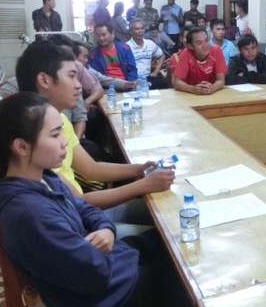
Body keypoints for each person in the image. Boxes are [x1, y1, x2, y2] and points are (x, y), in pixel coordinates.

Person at [0, 92, 190, 307]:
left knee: (169, 245)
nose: (65, 142)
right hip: (101, 294)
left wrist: (106, 229)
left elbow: (84, 207)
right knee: (180, 274)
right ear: (21, 147)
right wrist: (111, 246)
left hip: (103, 266)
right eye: (55, 135)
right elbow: (93, 274)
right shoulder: (29, 213)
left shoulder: (44, 177)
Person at [16, 41, 175, 227]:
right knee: (162, 227)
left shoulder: (60, 120)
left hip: (86, 213)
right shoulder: (37, 138)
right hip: (79, 224)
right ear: (44, 80)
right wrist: (144, 185)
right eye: (72, 76)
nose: (79, 86)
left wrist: (139, 169)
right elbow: (79, 202)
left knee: (167, 211)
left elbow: (91, 169)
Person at [172, 27, 226, 95]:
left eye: (206, 40)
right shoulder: (185, 54)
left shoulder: (216, 51)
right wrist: (192, 89)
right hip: (190, 95)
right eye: (199, 43)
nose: (205, 45)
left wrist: (213, 88)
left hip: (212, 94)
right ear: (190, 46)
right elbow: (176, 82)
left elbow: (221, 80)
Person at [127, 19, 168, 89]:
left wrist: (155, 72)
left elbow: (162, 56)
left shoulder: (149, 43)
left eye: (142, 28)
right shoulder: (127, 47)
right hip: (133, 80)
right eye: (137, 29)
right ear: (131, 31)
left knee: (164, 85)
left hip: (148, 78)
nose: (140, 31)